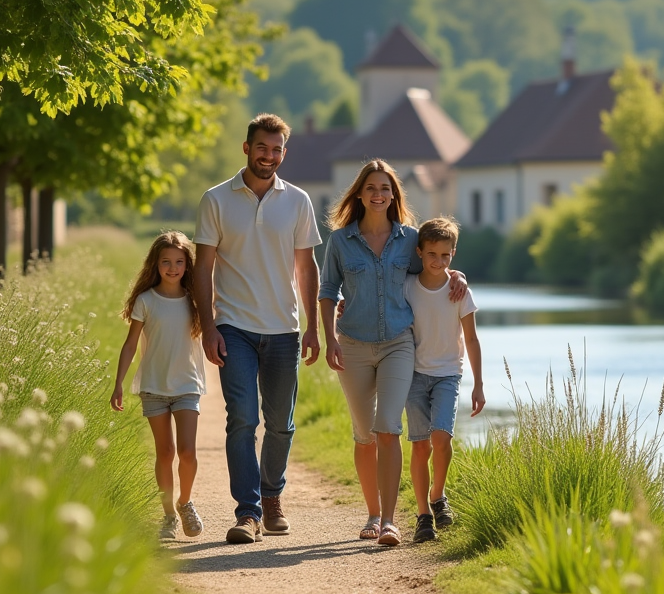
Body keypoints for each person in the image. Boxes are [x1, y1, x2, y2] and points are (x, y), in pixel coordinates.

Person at [318, 159, 465, 547]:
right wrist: (329, 336)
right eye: (371, 188)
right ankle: (370, 514)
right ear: (360, 194)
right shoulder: (340, 241)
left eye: (385, 188)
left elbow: (436, 267)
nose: (378, 194)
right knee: (364, 434)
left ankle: (387, 521)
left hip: (399, 343)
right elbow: (328, 290)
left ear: (394, 195)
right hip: (352, 344)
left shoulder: (409, 238)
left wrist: (458, 275)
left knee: (388, 428)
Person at [194, 113, 322, 545]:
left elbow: (306, 267)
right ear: (246, 148)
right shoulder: (216, 199)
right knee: (243, 420)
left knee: (281, 424)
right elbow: (203, 268)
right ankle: (247, 512)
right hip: (234, 327)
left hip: (284, 329)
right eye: (262, 148)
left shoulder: (298, 201)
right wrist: (208, 326)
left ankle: (272, 499)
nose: (269, 156)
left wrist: (313, 327)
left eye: (277, 150)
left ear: (284, 153)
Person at [111, 231, 207, 541]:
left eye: (179, 262)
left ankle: (185, 502)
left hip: (186, 385)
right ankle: (168, 516)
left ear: (187, 265)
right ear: (155, 264)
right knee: (164, 453)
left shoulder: (195, 301)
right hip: (153, 387)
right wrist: (119, 385)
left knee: (188, 452)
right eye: (166, 262)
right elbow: (129, 345)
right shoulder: (146, 300)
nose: (172, 268)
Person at [404, 217, 485, 543]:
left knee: (442, 439)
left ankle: (438, 495)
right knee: (420, 445)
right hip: (414, 374)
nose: (438, 262)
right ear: (420, 252)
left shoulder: (459, 291)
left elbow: (473, 339)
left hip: (449, 374)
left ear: (453, 254)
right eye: (432, 254)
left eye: (446, 256)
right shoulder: (407, 286)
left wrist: (478, 384)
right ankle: (423, 514)